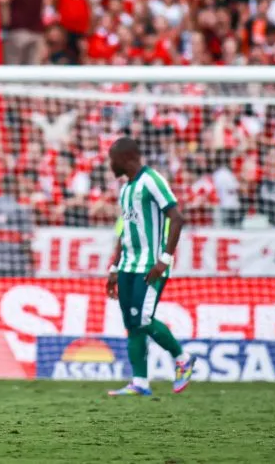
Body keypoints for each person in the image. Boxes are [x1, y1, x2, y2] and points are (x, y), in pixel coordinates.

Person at [105, 137, 196, 397]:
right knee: (132, 324)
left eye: (112, 158)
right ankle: (140, 383)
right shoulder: (125, 190)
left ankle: (182, 358)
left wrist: (164, 259)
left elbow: (177, 218)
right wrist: (114, 267)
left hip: (151, 265)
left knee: (143, 318)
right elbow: (126, 232)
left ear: (125, 158)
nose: (110, 164)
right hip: (128, 266)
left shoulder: (152, 181)